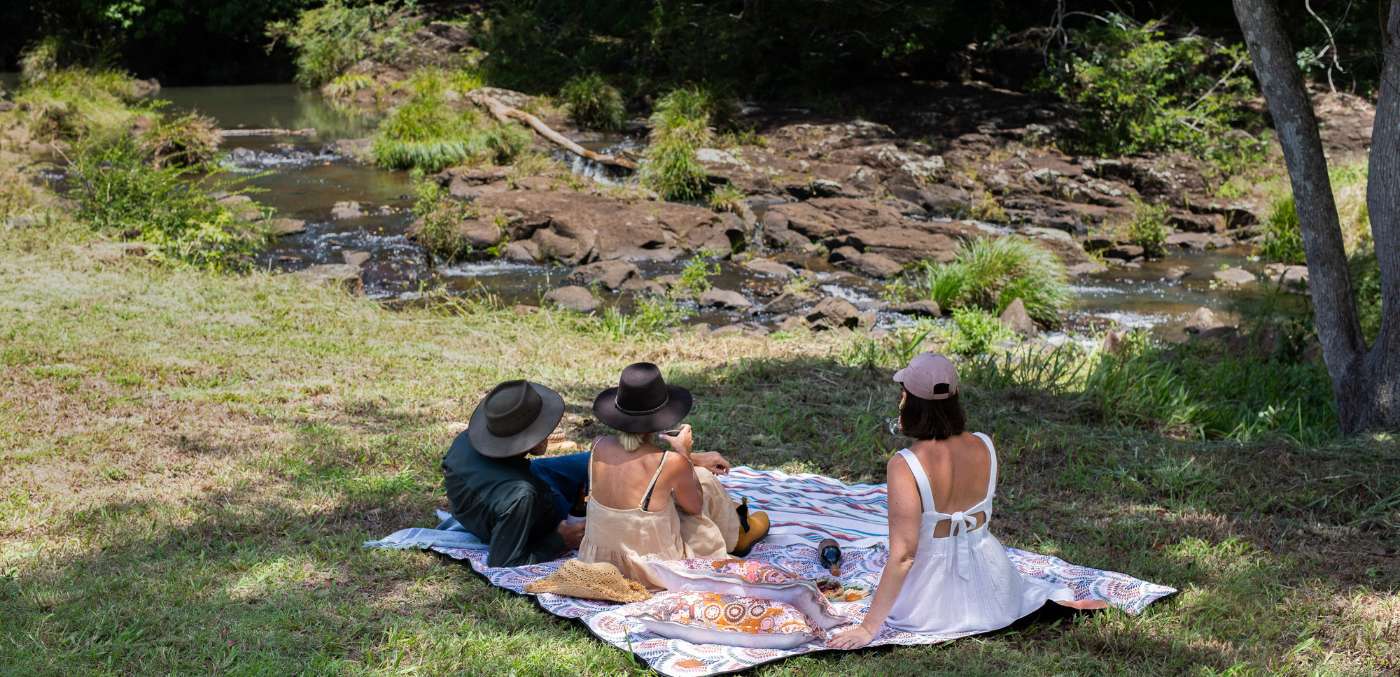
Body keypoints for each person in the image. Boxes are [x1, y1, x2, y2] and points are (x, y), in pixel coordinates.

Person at [829, 353, 1103, 649]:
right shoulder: (984, 444)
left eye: (902, 394)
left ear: (908, 400)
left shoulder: (905, 464)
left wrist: (869, 628)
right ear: (955, 396)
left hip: (929, 607)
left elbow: (904, 556)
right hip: (995, 588)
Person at [578, 362, 769, 589]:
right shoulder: (671, 463)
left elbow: (633, 458)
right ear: (661, 415)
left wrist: (691, 458)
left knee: (684, 483)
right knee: (704, 481)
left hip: (598, 562)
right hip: (650, 569)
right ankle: (737, 535)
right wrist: (684, 454)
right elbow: (694, 507)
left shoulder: (597, 445)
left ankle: (735, 521)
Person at [442, 379, 589, 568]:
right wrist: (560, 540)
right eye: (543, 425)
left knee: (596, 460)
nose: (549, 429)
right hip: (535, 508)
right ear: (526, 438)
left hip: (526, 475)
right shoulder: (521, 497)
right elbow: (503, 561)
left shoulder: (465, 441)